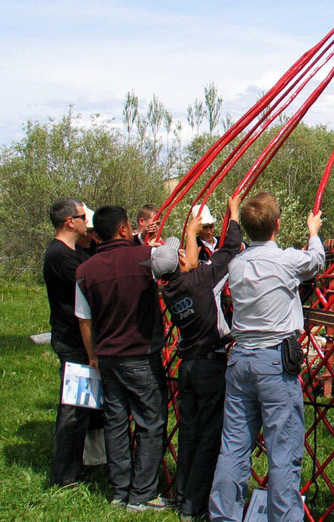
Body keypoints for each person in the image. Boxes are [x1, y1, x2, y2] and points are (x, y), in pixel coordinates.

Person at [209, 192, 324, 522]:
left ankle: (223, 517)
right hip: (274, 362)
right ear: (278, 224)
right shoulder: (286, 260)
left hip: (240, 359)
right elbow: (316, 262)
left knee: (233, 446)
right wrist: (313, 231)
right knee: (283, 448)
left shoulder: (237, 264)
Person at [75, 206, 169, 511]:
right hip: (141, 354)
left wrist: (93, 356)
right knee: (150, 421)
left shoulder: (85, 270)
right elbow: (170, 260)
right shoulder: (142, 257)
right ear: (123, 230)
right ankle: (143, 494)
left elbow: (84, 319)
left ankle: (119, 491)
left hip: (108, 357)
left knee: (116, 421)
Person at [156, 196, 242, 520]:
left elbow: (191, 260)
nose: (185, 252)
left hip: (187, 366)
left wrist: (190, 232)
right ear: (181, 264)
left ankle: (180, 498)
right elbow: (231, 248)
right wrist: (233, 214)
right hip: (209, 365)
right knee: (209, 437)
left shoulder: (171, 289)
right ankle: (194, 507)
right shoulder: (200, 281)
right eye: (181, 254)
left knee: (189, 434)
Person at [43, 198, 91, 487]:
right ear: (69, 222)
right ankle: (63, 475)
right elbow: (91, 277)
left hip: (75, 338)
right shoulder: (60, 256)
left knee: (81, 406)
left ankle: (75, 467)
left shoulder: (70, 251)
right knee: (73, 407)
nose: (87, 221)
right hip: (72, 340)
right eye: (83, 216)